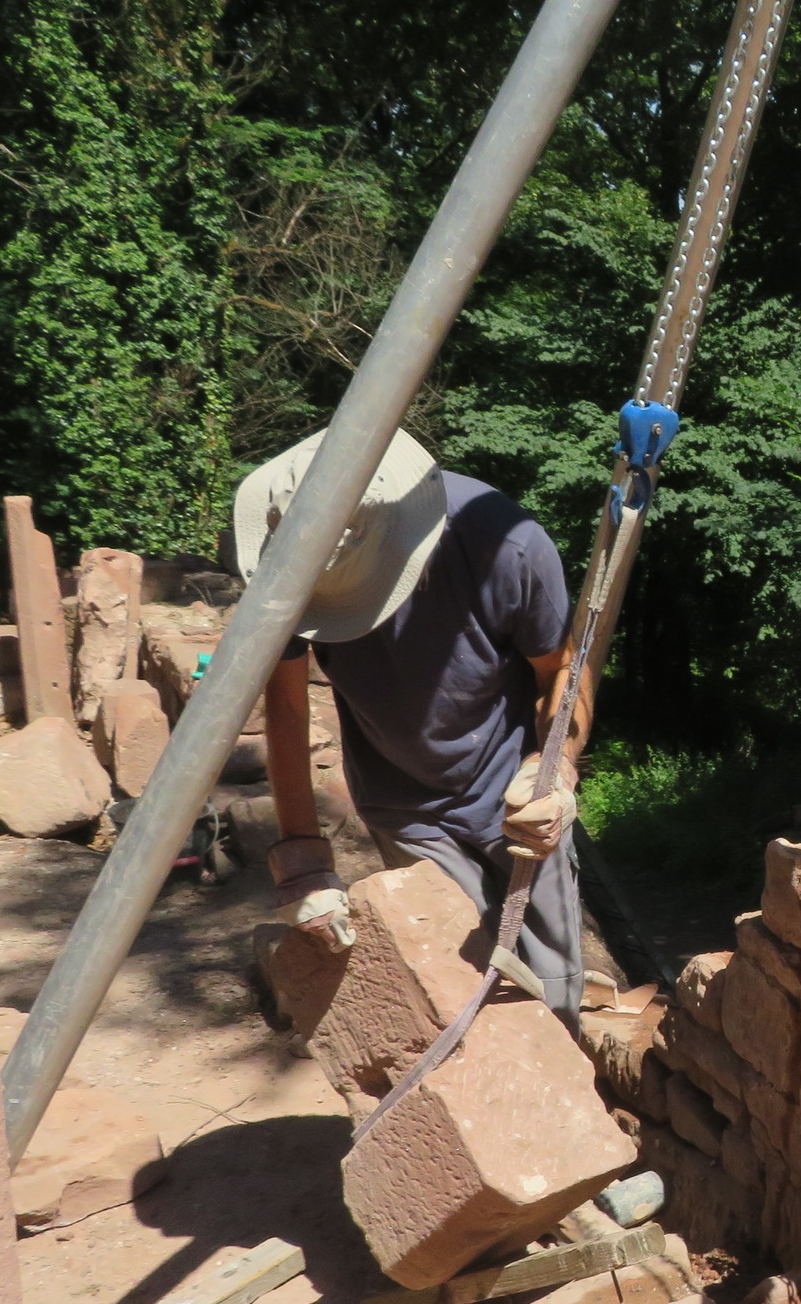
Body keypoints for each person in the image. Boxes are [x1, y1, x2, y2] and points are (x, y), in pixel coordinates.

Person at [237, 428, 589, 1019]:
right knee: (458, 990)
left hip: (516, 795)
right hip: (399, 801)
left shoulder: (505, 545)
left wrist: (554, 769)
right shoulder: (282, 559)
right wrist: (302, 860)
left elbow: (562, 671)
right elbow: (287, 707)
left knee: (553, 989)